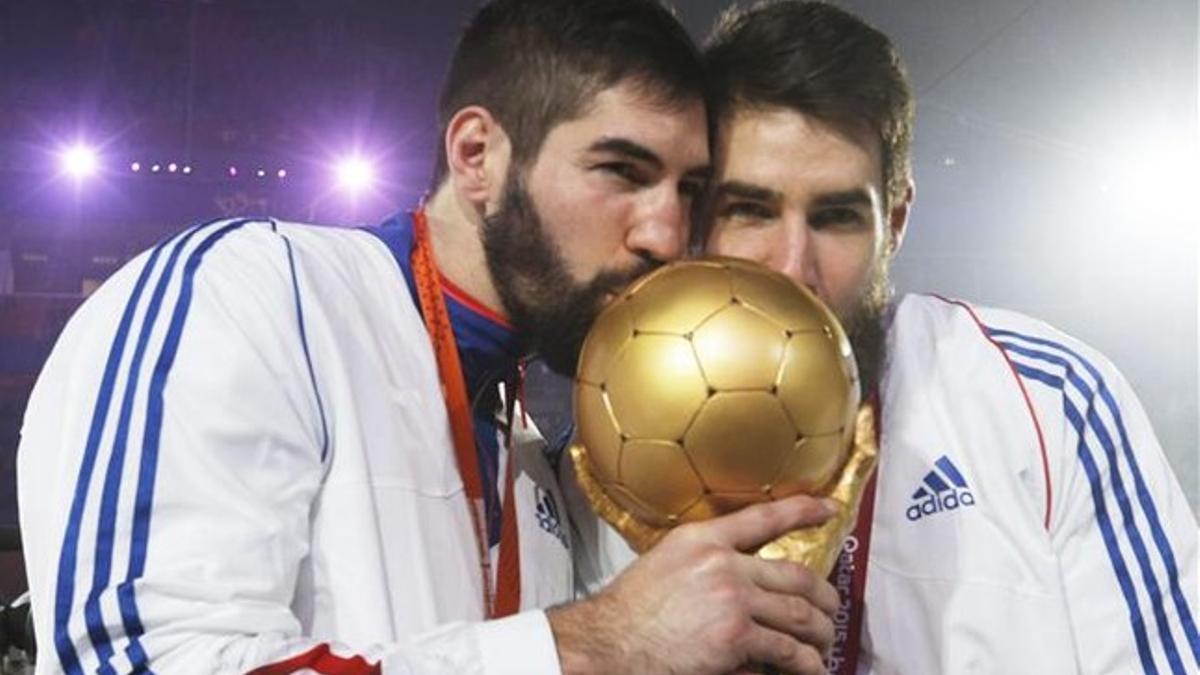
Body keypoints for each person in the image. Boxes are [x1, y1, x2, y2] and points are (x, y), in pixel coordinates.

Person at [16, 1, 842, 674]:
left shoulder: (531, 455)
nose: (665, 233)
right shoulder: (244, 291)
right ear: (477, 154)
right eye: (621, 171)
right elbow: (142, 663)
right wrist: (596, 643)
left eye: (688, 188)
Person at [567, 2, 1200, 674]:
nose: (791, 266)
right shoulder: (603, 469)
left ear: (894, 222)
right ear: (698, 220)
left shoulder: (1050, 401)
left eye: (836, 216)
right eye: (749, 209)